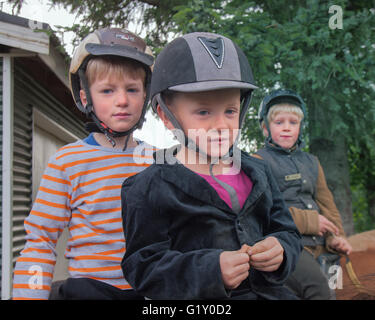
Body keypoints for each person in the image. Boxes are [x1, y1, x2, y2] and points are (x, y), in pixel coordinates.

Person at [120, 32, 302, 300]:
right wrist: (210, 271)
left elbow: (287, 231)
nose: (221, 125)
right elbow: (144, 267)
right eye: (204, 112)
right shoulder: (146, 187)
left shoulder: (259, 172)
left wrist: (281, 249)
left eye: (230, 111)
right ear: (166, 116)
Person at [12, 28, 154, 300]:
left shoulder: (159, 161)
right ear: (86, 97)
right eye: (108, 90)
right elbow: (39, 241)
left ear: (145, 96)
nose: (122, 100)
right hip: (90, 292)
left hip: (148, 291)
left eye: (132, 89)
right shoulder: (67, 162)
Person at [255, 89, 352, 299]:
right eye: (279, 122)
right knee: (319, 290)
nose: (287, 128)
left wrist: (336, 236)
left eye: (293, 122)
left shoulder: (312, 162)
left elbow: (328, 205)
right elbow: (263, 209)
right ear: (265, 128)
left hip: (319, 244)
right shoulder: (258, 162)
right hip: (285, 244)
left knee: (344, 288)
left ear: (301, 126)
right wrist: (310, 221)